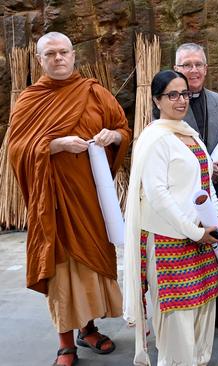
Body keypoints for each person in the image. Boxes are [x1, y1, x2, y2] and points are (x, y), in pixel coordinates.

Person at [8, 32, 130, 366]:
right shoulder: (29, 100)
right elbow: (16, 149)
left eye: (64, 52)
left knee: (91, 267)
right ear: (39, 60)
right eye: (51, 54)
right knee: (60, 271)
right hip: (52, 202)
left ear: (74, 55)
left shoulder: (94, 92)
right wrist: (56, 145)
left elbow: (122, 128)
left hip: (90, 199)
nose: (58, 58)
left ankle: (88, 330)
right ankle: (66, 344)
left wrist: (113, 135)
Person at [123, 70, 218, 365]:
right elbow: (158, 196)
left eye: (185, 94)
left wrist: (216, 219)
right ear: (157, 100)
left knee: (202, 313)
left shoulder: (189, 134)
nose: (181, 100)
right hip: (170, 242)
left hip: (201, 241)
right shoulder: (155, 138)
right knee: (178, 324)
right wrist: (194, 231)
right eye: (172, 95)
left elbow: (205, 183)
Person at [174, 42, 218, 332]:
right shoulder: (167, 103)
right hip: (183, 196)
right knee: (187, 257)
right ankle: (189, 314)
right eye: (186, 65)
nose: (193, 70)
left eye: (198, 64)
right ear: (176, 69)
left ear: (206, 68)